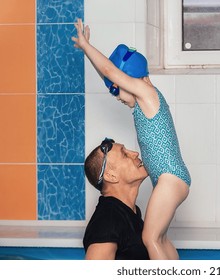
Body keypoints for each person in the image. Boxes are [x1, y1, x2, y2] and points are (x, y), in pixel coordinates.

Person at [72, 18, 191, 260]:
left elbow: (110, 71)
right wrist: (105, 74)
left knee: (150, 238)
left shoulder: (148, 94)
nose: (116, 95)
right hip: (170, 178)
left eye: (118, 88)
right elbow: (110, 76)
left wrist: (87, 48)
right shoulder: (143, 104)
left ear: (134, 79)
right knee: (160, 238)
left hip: (169, 178)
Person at [83, 138, 150, 260]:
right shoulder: (107, 220)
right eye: (125, 154)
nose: (135, 154)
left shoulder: (129, 212)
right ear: (111, 176)